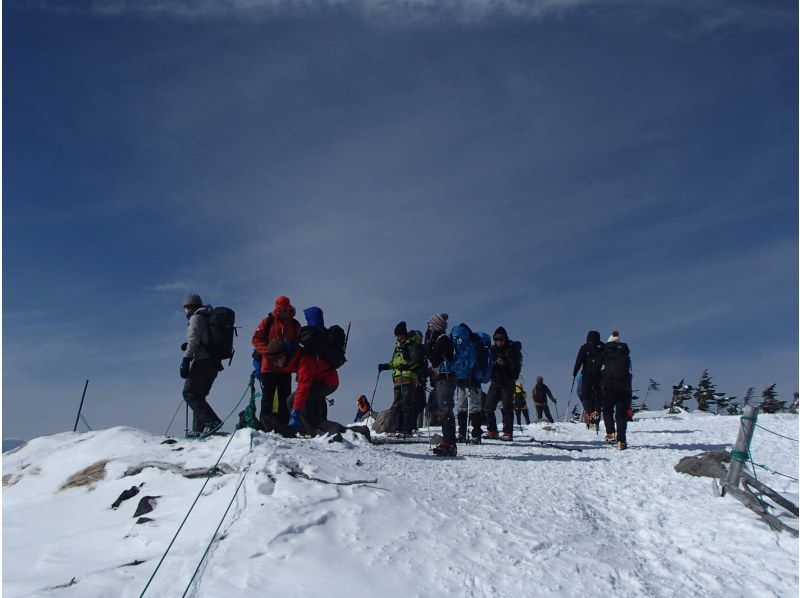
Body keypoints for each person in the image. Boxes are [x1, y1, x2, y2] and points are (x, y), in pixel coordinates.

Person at [261, 339, 339, 437]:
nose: (274, 364)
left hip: (328, 383)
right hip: (317, 381)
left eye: (275, 361)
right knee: (291, 400)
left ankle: (311, 432)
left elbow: (303, 389)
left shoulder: (304, 362)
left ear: (282, 356)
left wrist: (295, 413)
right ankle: (302, 430)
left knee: (300, 401)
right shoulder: (292, 357)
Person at [252, 295, 301, 433]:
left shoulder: (295, 324)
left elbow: (298, 344)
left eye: (284, 310)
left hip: (286, 368)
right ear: (276, 308)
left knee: (285, 399)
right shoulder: (267, 321)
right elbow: (256, 340)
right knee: (267, 398)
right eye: (279, 310)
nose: (282, 313)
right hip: (268, 367)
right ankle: (264, 425)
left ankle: (284, 427)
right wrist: (267, 351)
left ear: (289, 308)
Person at [180, 293, 223, 437]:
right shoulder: (207, 317)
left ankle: (212, 422)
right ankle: (199, 428)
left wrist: (186, 360)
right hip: (213, 362)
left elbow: (193, 341)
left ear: (188, 307)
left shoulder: (196, 318)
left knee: (189, 393)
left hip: (203, 361)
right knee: (199, 395)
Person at [378, 321, 424, 438]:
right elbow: (394, 362)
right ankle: (398, 428)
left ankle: (407, 429)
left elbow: (415, 360)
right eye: (396, 336)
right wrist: (385, 366)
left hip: (408, 377)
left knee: (407, 403)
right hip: (397, 378)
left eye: (399, 335)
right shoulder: (398, 347)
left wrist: (407, 365)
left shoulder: (412, 345)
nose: (397, 338)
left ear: (404, 334)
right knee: (397, 404)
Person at [425, 313, 458, 456]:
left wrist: (427, 347)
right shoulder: (440, 338)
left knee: (446, 409)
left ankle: (450, 443)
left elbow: (434, 358)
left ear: (435, 326)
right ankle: (447, 441)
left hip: (446, 378)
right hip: (444, 377)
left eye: (429, 325)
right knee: (445, 408)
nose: (428, 328)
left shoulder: (442, 339)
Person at [484, 327, 522, 441]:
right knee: (487, 407)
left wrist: (505, 364)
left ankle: (507, 433)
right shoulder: (492, 350)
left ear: (505, 339)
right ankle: (492, 431)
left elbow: (515, 369)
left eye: (501, 339)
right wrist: (493, 363)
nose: (498, 341)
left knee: (507, 407)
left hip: (507, 382)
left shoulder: (511, 350)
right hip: (495, 381)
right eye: (496, 339)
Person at [601, 331, 633, 450]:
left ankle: (610, 434)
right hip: (623, 388)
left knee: (608, 411)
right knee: (621, 415)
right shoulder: (625, 353)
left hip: (608, 387)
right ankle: (621, 440)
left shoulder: (606, 352)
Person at [451, 323, 481, 444]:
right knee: (474, 408)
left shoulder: (458, 344)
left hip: (462, 380)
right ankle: (475, 435)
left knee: (462, 408)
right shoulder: (473, 343)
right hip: (472, 380)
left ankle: (462, 434)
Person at [572, 330, 605, 430]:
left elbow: (578, 361)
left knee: (585, 395)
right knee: (598, 398)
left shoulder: (584, 347)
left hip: (587, 375)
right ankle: (596, 420)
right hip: (599, 375)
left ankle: (591, 415)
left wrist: (574, 373)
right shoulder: (603, 346)